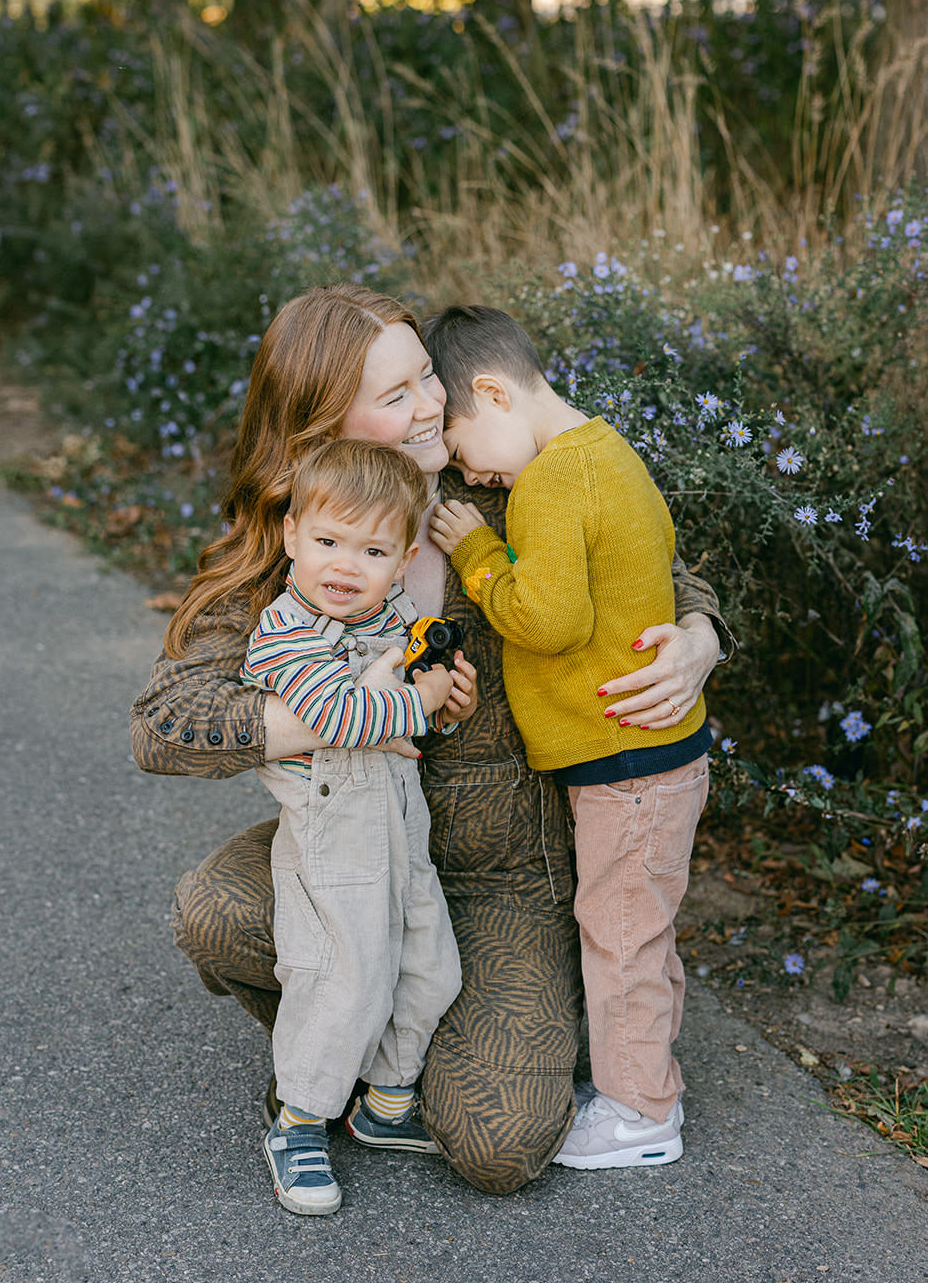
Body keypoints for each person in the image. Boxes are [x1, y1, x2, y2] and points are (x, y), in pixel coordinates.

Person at [129, 283, 734, 1197]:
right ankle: (332, 1061)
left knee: (498, 1146)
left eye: (427, 381)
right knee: (216, 909)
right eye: (397, 395)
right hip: (353, 842)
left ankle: (441, 1031)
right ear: (325, 421)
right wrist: (357, 713)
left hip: (504, 869)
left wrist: (700, 638)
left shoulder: (490, 483)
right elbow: (163, 723)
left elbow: (650, 561)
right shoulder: (305, 530)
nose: (431, 409)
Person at [425, 305, 712, 1171]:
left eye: (459, 442)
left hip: (621, 757)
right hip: (654, 753)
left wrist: (477, 551)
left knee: (618, 929)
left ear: (490, 393)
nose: (465, 468)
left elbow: (546, 621)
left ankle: (637, 1115)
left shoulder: (546, 481)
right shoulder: (609, 452)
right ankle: (648, 1079)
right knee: (640, 927)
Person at [241, 438, 471, 1215]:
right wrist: (422, 701)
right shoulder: (286, 632)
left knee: (429, 963)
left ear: (404, 558)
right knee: (343, 976)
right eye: (327, 541)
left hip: (400, 821)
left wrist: (442, 698)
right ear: (292, 537)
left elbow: (405, 717)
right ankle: (299, 1117)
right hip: (332, 827)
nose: (345, 565)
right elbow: (339, 715)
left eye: (370, 549)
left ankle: (384, 1101)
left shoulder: (396, 613)